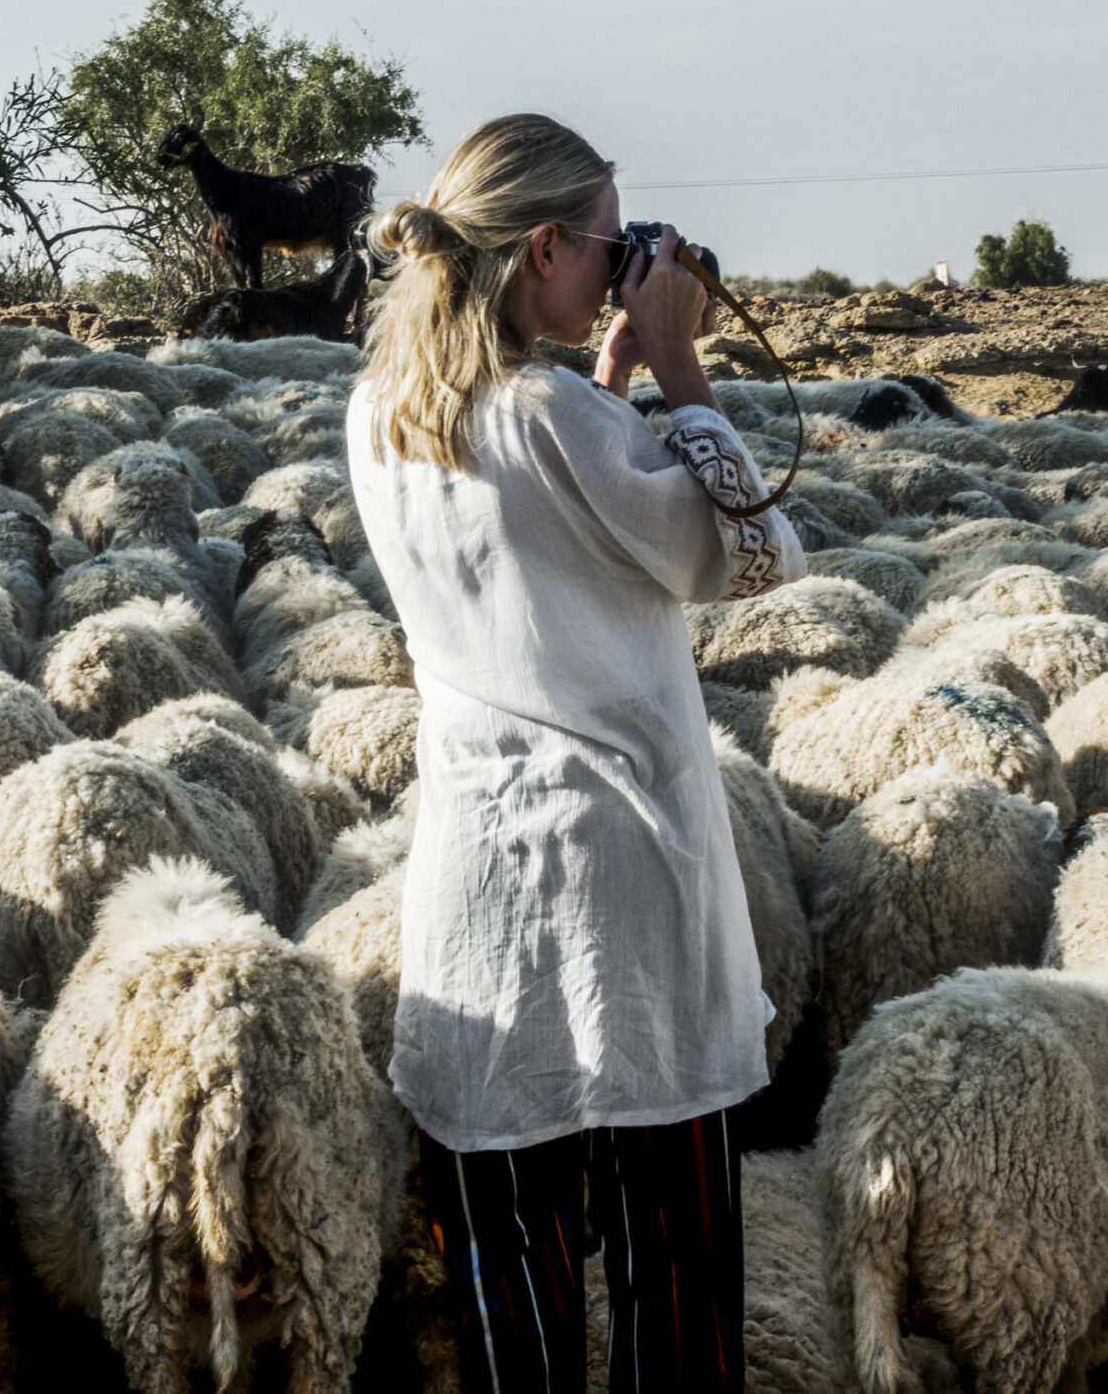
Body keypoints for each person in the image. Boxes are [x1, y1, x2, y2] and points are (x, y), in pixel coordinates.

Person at [346, 112, 803, 1394]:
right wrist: (677, 366)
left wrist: (606, 380)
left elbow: (546, 523)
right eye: (609, 241)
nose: (624, 261)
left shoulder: (382, 413)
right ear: (543, 246)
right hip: (630, 891)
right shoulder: (560, 421)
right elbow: (755, 555)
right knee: (672, 1297)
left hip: (481, 906)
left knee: (517, 1308)